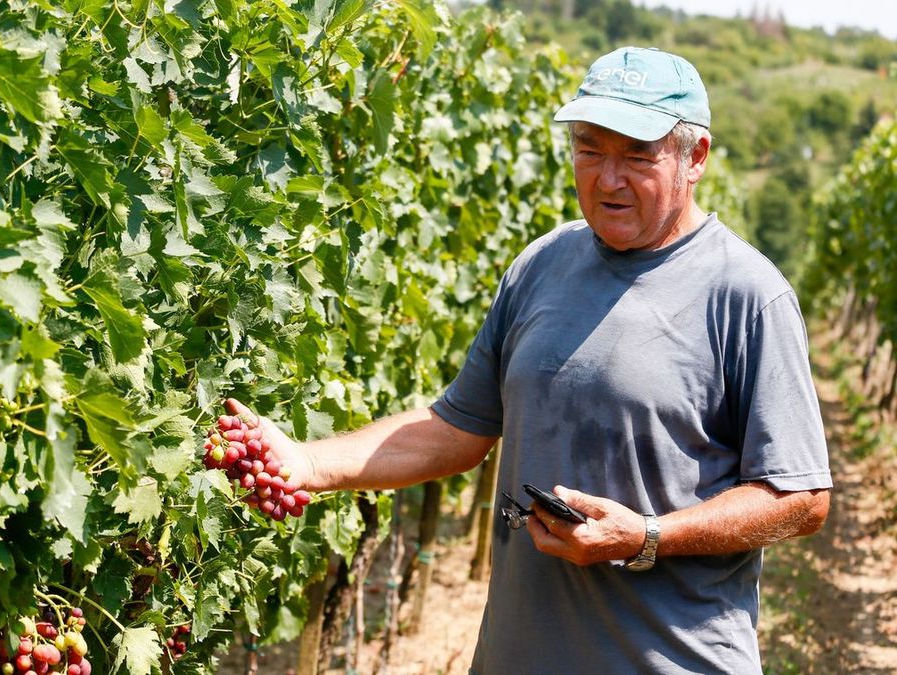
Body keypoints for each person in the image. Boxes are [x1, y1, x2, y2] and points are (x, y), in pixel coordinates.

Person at [230, 46, 832, 672]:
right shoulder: (541, 266)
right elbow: (456, 430)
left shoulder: (747, 295)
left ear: (695, 157)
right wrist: (308, 463)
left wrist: (648, 537)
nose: (608, 179)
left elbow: (801, 498)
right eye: (590, 150)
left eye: (637, 156)